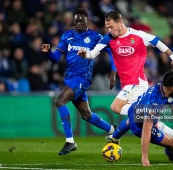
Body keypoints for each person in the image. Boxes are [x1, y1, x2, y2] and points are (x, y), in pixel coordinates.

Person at [78, 10, 173, 153]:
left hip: (137, 82)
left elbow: (157, 42)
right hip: (128, 84)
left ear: (120, 22)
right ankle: (164, 128)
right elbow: (92, 53)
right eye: (107, 27)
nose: (109, 30)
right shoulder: (108, 38)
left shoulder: (138, 35)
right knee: (135, 114)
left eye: (111, 27)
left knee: (116, 107)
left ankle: (148, 120)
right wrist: (85, 54)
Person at [41, 8, 116, 155]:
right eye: (77, 20)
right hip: (70, 79)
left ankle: (70, 142)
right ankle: (113, 130)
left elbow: (110, 51)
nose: (80, 22)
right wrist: (49, 53)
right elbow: (56, 58)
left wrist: (113, 71)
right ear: (73, 21)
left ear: (87, 21)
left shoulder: (94, 36)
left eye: (82, 19)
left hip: (82, 78)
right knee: (86, 115)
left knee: (59, 101)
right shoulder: (67, 35)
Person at [112, 70, 173, 166]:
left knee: (131, 120)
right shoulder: (154, 101)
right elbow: (146, 129)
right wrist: (145, 158)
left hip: (134, 109)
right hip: (139, 125)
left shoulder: (167, 90)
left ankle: (114, 136)